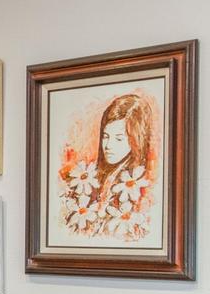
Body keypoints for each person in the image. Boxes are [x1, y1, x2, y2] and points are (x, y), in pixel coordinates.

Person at [58, 91, 155, 241]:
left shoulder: (137, 185)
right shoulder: (97, 177)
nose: (108, 145)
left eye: (119, 139)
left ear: (136, 140)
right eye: (105, 136)